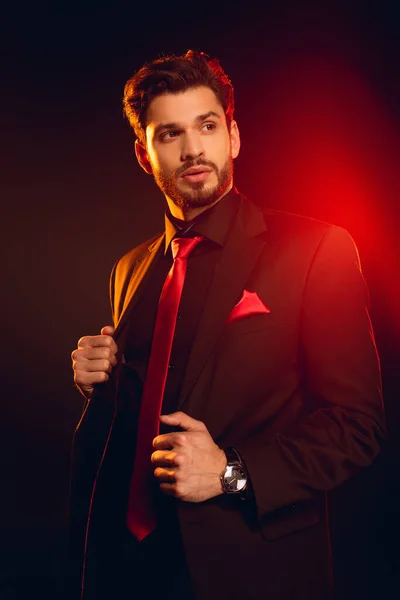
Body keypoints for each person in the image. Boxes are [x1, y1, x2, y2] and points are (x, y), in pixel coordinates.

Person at [69, 50, 386, 600]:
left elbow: (358, 426)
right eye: (170, 133)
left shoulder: (316, 250)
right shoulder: (131, 268)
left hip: (250, 569)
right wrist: (100, 384)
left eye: (207, 126)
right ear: (145, 154)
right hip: (128, 568)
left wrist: (230, 473)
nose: (193, 149)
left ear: (233, 137)